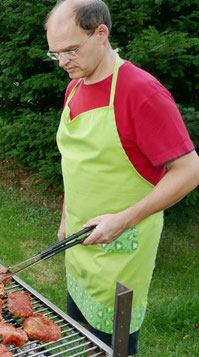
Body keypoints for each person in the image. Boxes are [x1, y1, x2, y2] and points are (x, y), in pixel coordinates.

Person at [45, 0, 199, 354]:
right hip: (80, 244)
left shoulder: (141, 93)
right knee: (76, 334)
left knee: (110, 344)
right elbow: (76, 159)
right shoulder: (76, 87)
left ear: (101, 34)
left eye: (70, 50)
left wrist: (123, 220)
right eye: (56, 54)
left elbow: (189, 171)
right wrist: (67, 214)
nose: (64, 62)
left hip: (122, 249)